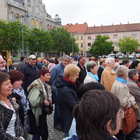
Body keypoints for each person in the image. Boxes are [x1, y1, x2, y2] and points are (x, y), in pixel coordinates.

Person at [111, 65, 138, 140]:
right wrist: (132, 99)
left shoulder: (119, 82)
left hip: (121, 113)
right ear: (125, 74)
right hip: (122, 113)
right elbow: (123, 103)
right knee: (122, 133)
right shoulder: (120, 86)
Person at [55, 64, 80, 137]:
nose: (78, 77)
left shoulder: (68, 84)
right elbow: (74, 105)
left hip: (68, 117)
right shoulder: (66, 90)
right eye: (77, 75)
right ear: (71, 76)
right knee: (68, 135)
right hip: (68, 119)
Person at [28, 69, 52, 140]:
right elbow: (33, 101)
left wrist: (47, 99)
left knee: (41, 130)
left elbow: (43, 95)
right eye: (47, 75)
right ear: (41, 76)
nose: (49, 77)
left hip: (41, 112)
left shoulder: (43, 84)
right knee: (37, 131)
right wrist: (43, 102)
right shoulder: (36, 85)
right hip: (37, 113)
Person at [49, 55, 71, 130]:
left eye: (68, 61)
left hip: (64, 91)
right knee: (57, 108)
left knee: (62, 108)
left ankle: (62, 122)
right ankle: (57, 123)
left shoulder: (67, 68)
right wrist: (54, 87)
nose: (66, 62)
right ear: (61, 60)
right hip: (57, 91)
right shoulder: (56, 68)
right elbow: (50, 79)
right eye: (65, 60)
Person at [0, 72, 24, 139]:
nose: (10, 86)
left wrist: (21, 134)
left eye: (10, 82)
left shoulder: (11, 101)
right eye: (6, 84)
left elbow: (18, 122)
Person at [8, 70, 30, 139]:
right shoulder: (9, 95)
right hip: (16, 126)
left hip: (25, 118)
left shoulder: (20, 89)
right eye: (19, 80)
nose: (21, 82)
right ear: (11, 81)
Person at [127, 69, 140, 140]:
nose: (138, 75)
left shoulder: (133, 82)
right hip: (136, 106)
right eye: (137, 74)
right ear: (133, 75)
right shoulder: (132, 84)